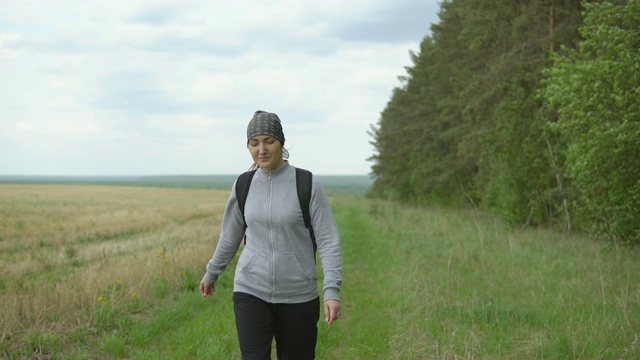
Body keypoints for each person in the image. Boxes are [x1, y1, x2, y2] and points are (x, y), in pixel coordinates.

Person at [200, 110, 343, 360]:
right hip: (250, 289)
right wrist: (212, 272)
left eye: (269, 141)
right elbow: (230, 235)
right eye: (254, 143)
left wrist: (331, 290)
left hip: (298, 295)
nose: (262, 150)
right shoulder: (243, 184)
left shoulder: (307, 183)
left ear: (281, 143)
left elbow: (328, 240)